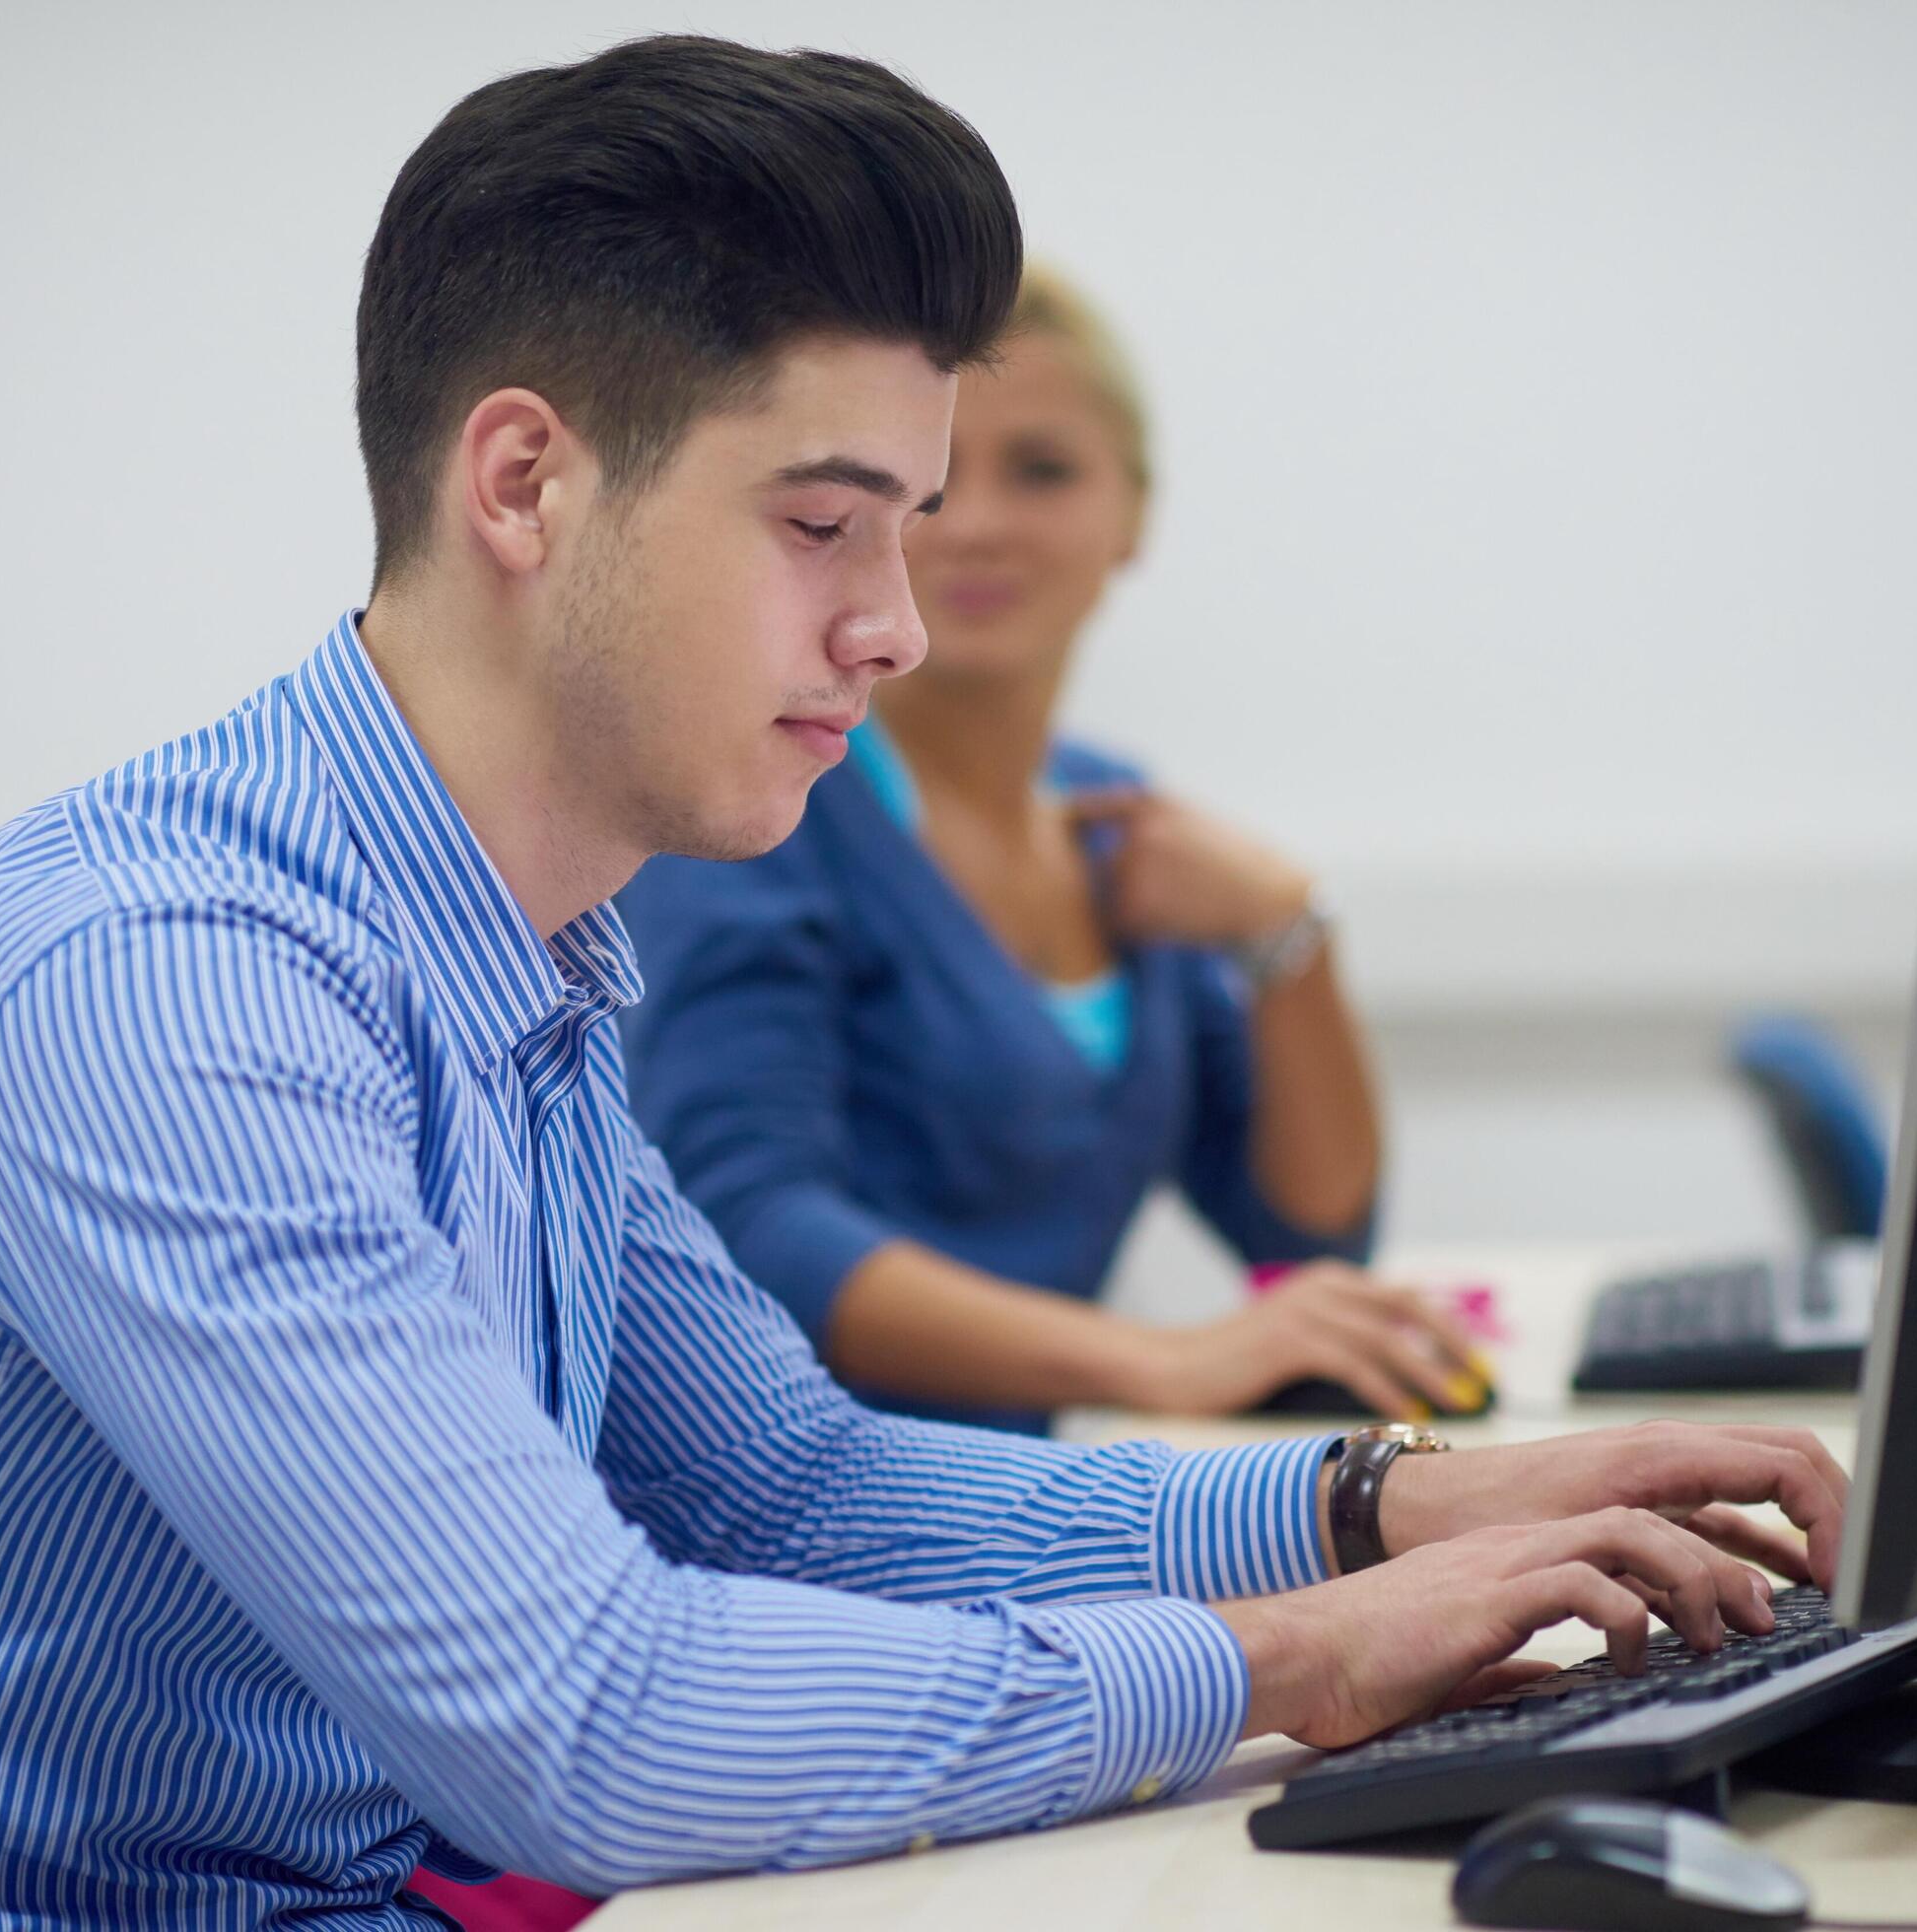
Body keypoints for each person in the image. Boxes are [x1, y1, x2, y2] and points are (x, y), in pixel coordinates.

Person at [0, 36, 1847, 1929]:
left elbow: (791, 1488)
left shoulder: (517, 955)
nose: (895, 624)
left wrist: (1385, 1501)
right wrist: (1286, 1656)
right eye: (822, 523)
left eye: (909, 523)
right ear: (525, 479)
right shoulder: (167, 992)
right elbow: (579, 1726)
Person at [620, 264, 1476, 1434]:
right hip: (800, 1528)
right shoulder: (758, 809)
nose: (974, 523)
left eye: (1043, 470)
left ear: (1133, 515)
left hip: (1020, 1510)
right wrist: (1154, 1362)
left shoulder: (1116, 816)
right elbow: (749, 1220)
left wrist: (1292, 934)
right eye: (922, 486)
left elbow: (1306, 1240)